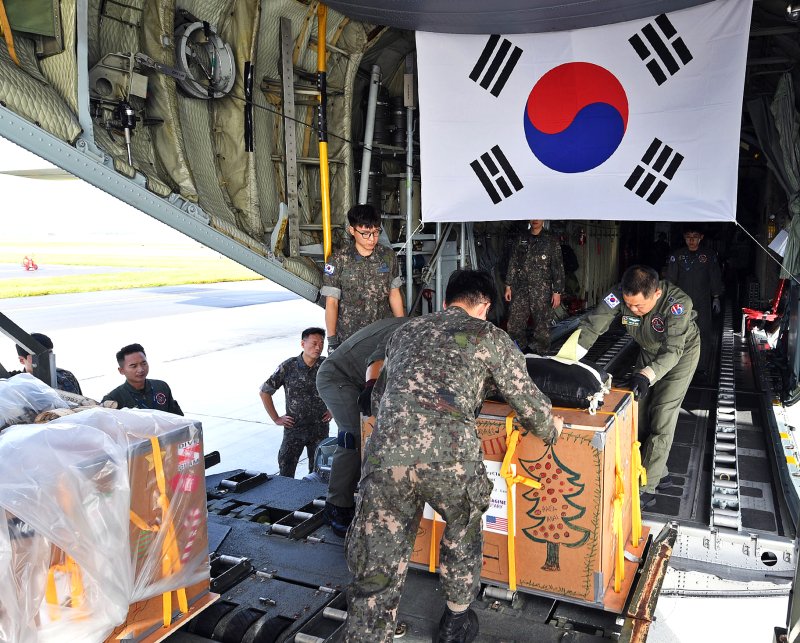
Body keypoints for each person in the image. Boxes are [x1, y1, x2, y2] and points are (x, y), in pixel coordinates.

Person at [344, 269, 561, 643]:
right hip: (450, 457)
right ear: (486, 306)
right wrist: (551, 428)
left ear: (446, 302)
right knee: (461, 529)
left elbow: (379, 399)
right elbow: (527, 402)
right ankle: (456, 621)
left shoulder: (405, 333)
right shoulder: (490, 337)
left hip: (387, 455)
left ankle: (368, 632)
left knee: (378, 548)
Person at [573, 265, 700, 509]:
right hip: (648, 351)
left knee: (662, 414)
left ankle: (646, 487)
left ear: (656, 295)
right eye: (628, 304)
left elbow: (673, 351)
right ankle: (659, 471)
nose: (632, 309)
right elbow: (592, 325)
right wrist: (569, 358)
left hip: (680, 355)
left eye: (639, 306)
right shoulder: (619, 295)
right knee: (637, 410)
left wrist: (646, 375)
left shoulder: (678, 304)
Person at [315, 317, 410, 536]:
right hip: (338, 378)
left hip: (357, 378)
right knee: (353, 437)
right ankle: (336, 507)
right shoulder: (408, 329)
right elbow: (376, 357)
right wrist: (370, 387)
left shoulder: (418, 327)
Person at [320, 204, 405, 353]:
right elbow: (332, 303)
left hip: (382, 335)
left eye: (376, 232)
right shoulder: (338, 260)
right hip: (350, 338)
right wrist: (332, 341)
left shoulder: (388, 257)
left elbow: (394, 294)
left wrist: (401, 329)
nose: (372, 239)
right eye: (365, 233)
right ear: (352, 230)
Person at [260, 327, 331, 478]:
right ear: (302, 344)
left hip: (319, 428)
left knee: (319, 474)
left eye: (321, 343)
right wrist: (276, 418)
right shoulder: (289, 366)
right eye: (313, 343)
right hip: (294, 429)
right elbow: (265, 391)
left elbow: (341, 387)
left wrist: (333, 410)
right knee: (286, 471)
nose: (318, 347)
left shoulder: (327, 365)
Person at [665, 225, 723, 376]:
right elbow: (670, 280)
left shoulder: (709, 255)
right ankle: (678, 364)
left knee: (703, 332)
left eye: (695, 236)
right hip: (680, 302)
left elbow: (714, 276)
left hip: (702, 301)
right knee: (678, 331)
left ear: (701, 237)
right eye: (688, 237)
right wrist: (668, 300)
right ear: (684, 238)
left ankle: (701, 366)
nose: (691, 240)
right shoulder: (677, 256)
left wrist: (716, 296)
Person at [504, 219, 565, 354]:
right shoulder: (521, 238)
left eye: (538, 217)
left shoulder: (551, 240)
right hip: (521, 288)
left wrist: (557, 291)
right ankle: (518, 349)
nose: (535, 220)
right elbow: (513, 262)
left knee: (542, 324)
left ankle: (540, 351)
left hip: (542, 290)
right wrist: (508, 285)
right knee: (515, 322)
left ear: (543, 219)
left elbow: (557, 266)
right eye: (532, 216)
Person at [103, 343, 183, 415]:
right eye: (133, 366)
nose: (141, 369)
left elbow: (179, 418)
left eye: (144, 363)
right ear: (121, 370)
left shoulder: (161, 386)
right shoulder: (113, 399)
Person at [13, 332, 82, 394]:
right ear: (22, 360)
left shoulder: (66, 376)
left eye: (49, 353)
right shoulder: (16, 386)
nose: (46, 359)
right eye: (38, 356)